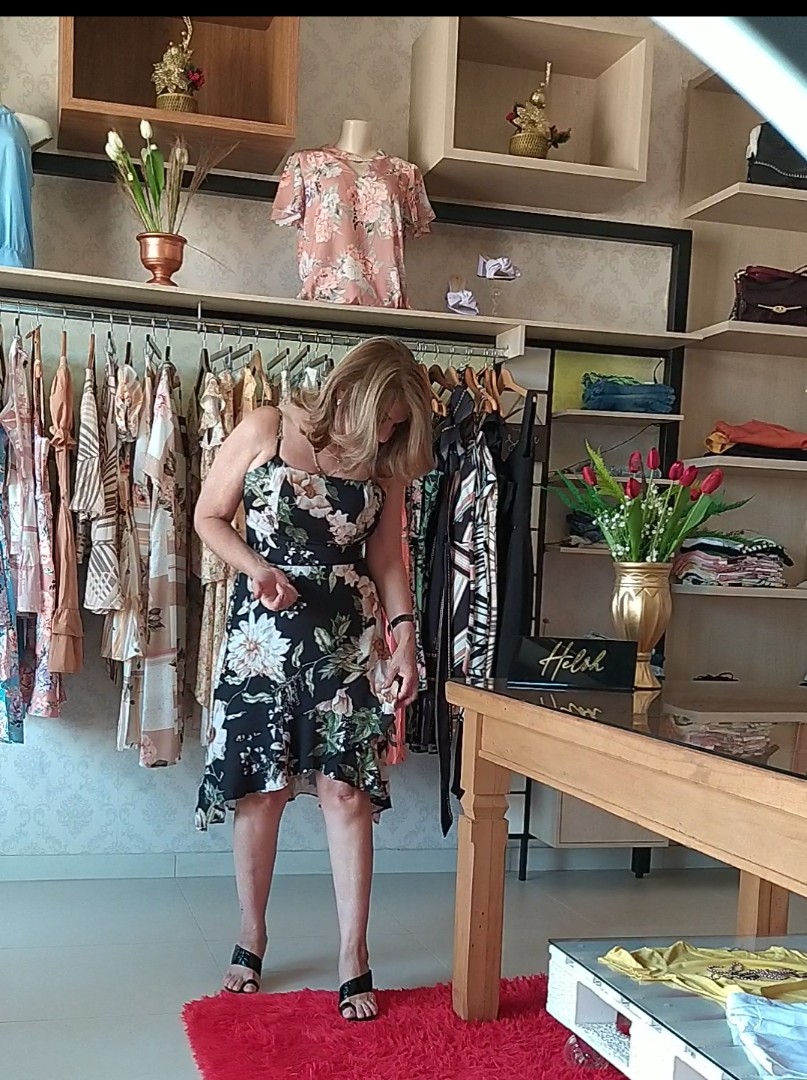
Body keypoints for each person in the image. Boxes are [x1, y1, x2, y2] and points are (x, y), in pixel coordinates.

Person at [193, 336, 434, 1020]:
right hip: (262, 640)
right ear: (352, 391)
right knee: (260, 792)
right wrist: (256, 567)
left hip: (347, 643)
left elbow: (386, 560)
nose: (386, 433)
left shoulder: (383, 463)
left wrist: (405, 637)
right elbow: (208, 516)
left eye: (397, 425)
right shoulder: (265, 427)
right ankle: (251, 935)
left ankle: (353, 953)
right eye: (384, 417)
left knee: (347, 792)